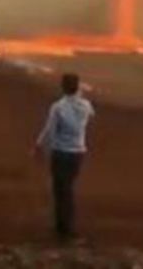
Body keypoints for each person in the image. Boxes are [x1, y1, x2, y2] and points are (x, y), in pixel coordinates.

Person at [32, 73, 95, 242]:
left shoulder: (58, 107)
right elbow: (91, 114)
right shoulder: (85, 105)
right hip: (78, 152)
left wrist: (40, 146)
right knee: (67, 188)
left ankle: (65, 227)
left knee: (61, 190)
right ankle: (63, 226)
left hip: (61, 152)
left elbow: (50, 130)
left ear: (63, 87)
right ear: (78, 86)